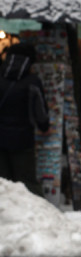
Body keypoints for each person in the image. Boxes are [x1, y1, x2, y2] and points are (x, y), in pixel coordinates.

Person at [0, 43, 49, 195]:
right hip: (23, 140)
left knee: (3, 183)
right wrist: (44, 126)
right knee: (27, 182)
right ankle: (38, 216)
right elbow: (41, 113)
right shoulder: (32, 82)